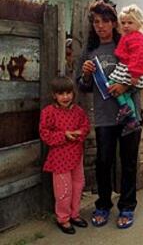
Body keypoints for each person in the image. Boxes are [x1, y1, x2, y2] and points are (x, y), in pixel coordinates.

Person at [76, 0, 142, 229]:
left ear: (114, 23)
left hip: (129, 117)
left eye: (105, 21)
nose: (100, 25)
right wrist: (85, 75)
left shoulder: (128, 44)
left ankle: (127, 206)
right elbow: (82, 87)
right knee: (103, 162)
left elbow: (142, 75)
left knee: (129, 162)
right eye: (96, 22)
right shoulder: (89, 51)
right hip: (104, 117)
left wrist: (125, 86)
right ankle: (103, 204)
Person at [39, 76, 90, 235]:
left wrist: (79, 133)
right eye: (61, 94)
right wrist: (64, 135)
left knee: (78, 185)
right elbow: (44, 133)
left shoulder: (78, 111)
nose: (65, 97)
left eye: (68, 93)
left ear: (73, 94)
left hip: (76, 156)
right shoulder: (48, 112)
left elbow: (86, 127)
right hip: (59, 158)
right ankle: (63, 218)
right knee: (63, 190)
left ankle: (75, 214)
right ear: (54, 95)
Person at [108, 4, 143, 136]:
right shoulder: (130, 37)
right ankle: (132, 119)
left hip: (132, 69)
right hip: (130, 67)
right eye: (123, 23)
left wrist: (134, 74)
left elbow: (140, 57)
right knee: (126, 93)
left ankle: (125, 108)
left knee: (111, 82)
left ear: (139, 23)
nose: (126, 26)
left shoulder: (136, 38)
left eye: (130, 22)